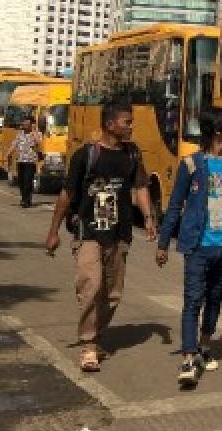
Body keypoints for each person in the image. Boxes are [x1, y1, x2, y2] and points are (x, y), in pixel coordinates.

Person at [44, 101, 157, 372]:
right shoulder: (86, 155)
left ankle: (97, 332)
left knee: (113, 293)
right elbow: (67, 195)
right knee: (90, 285)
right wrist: (53, 232)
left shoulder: (132, 154)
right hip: (89, 231)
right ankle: (89, 343)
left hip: (120, 233)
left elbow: (140, 186)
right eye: (126, 122)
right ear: (109, 125)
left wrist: (149, 217)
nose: (131, 126)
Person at [156, 107, 222, 388]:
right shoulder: (191, 165)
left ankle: (204, 345)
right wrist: (164, 243)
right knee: (193, 300)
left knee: (215, 299)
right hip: (198, 247)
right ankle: (189, 357)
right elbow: (175, 205)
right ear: (217, 131)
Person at [6, 116, 43, 208]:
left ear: (31, 125)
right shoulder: (20, 134)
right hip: (21, 161)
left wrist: (34, 131)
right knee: (21, 182)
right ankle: (23, 198)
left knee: (27, 181)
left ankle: (27, 200)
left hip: (30, 162)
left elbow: (39, 143)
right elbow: (14, 144)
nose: (24, 125)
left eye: (27, 124)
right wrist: (7, 154)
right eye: (24, 123)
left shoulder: (37, 134)